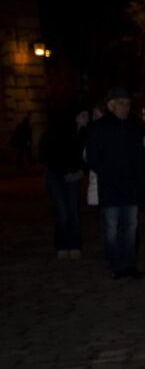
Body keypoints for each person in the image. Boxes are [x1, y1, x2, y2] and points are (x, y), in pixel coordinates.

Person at [85, 86, 145, 279]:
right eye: (121, 103)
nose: (125, 107)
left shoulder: (133, 127)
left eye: (128, 104)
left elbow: (141, 158)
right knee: (112, 229)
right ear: (111, 105)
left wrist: (141, 181)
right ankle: (115, 264)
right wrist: (110, 173)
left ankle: (129, 264)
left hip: (131, 187)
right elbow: (93, 157)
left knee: (131, 228)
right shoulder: (99, 127)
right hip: (112, 187)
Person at [39, 106, 89, 259]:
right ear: (76, 117)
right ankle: (62, 244)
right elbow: (47, 154)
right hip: (57, 175)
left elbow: (86, 157)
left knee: (73, 210)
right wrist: (65, 170)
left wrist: (80, 172)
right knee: (62, 211)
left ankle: (74, 244)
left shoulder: (84, 134)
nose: (87, 118)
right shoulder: (60, 132)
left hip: (72, 176)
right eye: (84, 115)